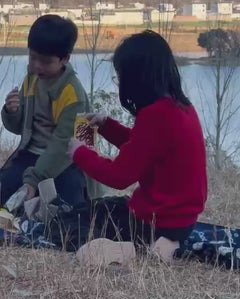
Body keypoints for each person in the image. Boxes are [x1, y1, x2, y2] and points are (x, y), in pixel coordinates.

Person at [67, 30, 208, 249]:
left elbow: (119, 176)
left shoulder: (155, 116)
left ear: (135, 79)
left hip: (156, 221)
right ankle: (166, 244)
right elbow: (144, 148)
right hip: (181, 221)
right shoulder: (182, 107)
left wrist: (80, 153)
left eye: (120, 77)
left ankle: (136, 249)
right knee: (97, 209)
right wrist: (107, 126)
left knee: (73, 225)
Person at [0, 14, 92, 207]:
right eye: (33, 57)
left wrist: (34, 180)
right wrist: (11, 112)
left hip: (68, 162)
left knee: (71, 211)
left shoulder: (73, 94)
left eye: (45, 61)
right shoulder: (32, 78)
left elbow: (65, 145)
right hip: (30, 156)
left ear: (65, 59)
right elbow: (20, 127)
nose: (36, 65)